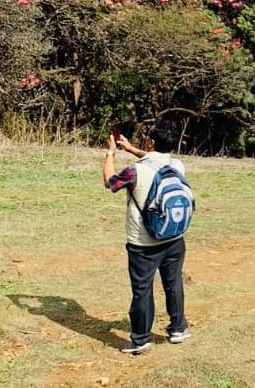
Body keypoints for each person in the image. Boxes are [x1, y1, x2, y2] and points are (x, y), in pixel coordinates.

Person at [103, 121, 190, 355]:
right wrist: (131, 149)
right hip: (174, 237)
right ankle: (178, 328)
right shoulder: (177, 165)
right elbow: (156, 158)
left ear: (151, 142)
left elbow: (110, 182)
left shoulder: (135, 171)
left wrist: (111, 153)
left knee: (142, 289)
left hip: (144, 243)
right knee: (173, 283)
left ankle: (140, 339)